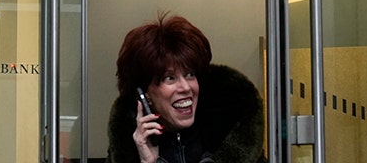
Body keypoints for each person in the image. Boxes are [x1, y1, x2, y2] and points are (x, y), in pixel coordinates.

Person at [107, 13, 265, 163]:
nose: (185, 87)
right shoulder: (128, 149)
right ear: (144, 94)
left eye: (190, 74)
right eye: (170, 78)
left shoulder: (231, 135)